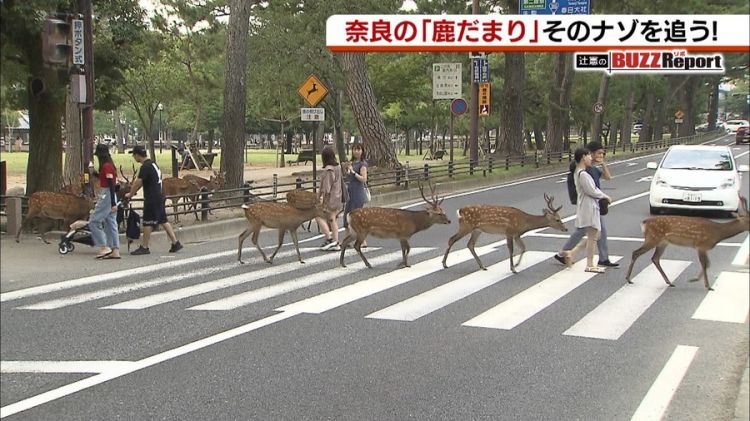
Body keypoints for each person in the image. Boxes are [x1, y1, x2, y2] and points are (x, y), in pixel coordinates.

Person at [554, 141, 618, 267]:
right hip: (588, 204)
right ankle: (568, 254)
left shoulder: (593, 169)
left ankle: (567, 254)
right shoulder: (583, 171)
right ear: (589, 154)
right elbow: (590, 190)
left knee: (591, 231)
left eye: (603, 153)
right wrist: (605, 196)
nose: (601, 155)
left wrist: (603, 163)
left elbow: (608, 177)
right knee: (592, 231)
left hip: (593, 204)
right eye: (599, 153)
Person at [124, 145, 182, 255]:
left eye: (133, 155)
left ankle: (145, 247)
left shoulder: (146, 167)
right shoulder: (153, 164)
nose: (133, 157)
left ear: (137, 155)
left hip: (152, 198)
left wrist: (130, 194)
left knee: (147, 221)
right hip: (159, 195)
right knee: (163, 220)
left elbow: (138, 183)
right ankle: (175, 243)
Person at [89, 144, 121, 259]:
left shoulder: (106, 166)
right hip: (110, 194)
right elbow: (109, 181)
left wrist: (112, 202)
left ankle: (104, 245)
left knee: (94, 221)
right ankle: (115, 249)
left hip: (107, 195)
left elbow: (111, 185)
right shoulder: (109, 166)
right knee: (111, 222)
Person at [317, 146, 344, 251]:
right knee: (332, 219)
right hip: (338, 196)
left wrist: (322, 199)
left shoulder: (328, 170)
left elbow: (327, 188)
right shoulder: (338, 167)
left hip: (330, 198)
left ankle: (331, 239)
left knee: (320, 216)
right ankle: (334, 240)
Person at [342, 143, 368, 245]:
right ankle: (347, 239)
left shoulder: (362, 164)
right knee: (347, 215)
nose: (356, 151)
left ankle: (362, 240)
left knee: (355, 217)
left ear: (362, 151)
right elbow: (348, 177)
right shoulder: (352, 163)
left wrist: (353, 172)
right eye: (354, 149)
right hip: (351, 191)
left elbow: (364, 179)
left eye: (358, 149)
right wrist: (346, 169)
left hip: (358, 192)